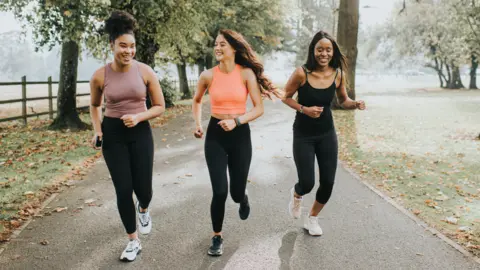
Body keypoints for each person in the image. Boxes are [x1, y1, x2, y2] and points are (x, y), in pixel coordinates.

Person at [192, 29, 282, 256]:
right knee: (220, 191)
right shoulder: (208, 76)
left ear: (234, 48)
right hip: (215, 136)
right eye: (216, 44)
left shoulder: (246, 74)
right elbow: (196, 100)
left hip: (240, 135)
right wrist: (197, 124)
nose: (218, 48)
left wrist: (237, 121)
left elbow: (259, 108)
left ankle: (243, 197)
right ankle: (217, 237)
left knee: (235, 192)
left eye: (222, 44)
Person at [89, 10, 165, 262]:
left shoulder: (145, 71)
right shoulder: (100, 75)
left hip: (140, 131)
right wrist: (98, 130)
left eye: (132, 46)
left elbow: (160, 106)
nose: (128, 51)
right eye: (123, 46)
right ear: (112, 45)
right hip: (113, 134)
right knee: (123, 189)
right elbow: (94, 105)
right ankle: (133, 240)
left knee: (143, 189)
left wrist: (139, 117)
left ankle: (143, 209)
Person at [282, 30, 366, 236]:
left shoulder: (338, 74)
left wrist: (354, 103)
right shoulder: (302, 73)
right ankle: (297, 193)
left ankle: (312, 218)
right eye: (320, 49)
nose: (324, 54)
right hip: (303, 135)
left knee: (328, 182)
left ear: (333, 51)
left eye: (328, 50)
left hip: (327, 134)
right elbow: (286, 97)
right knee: (307, 182)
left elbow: (343, 100)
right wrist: (304, 109)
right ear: (313, 51)